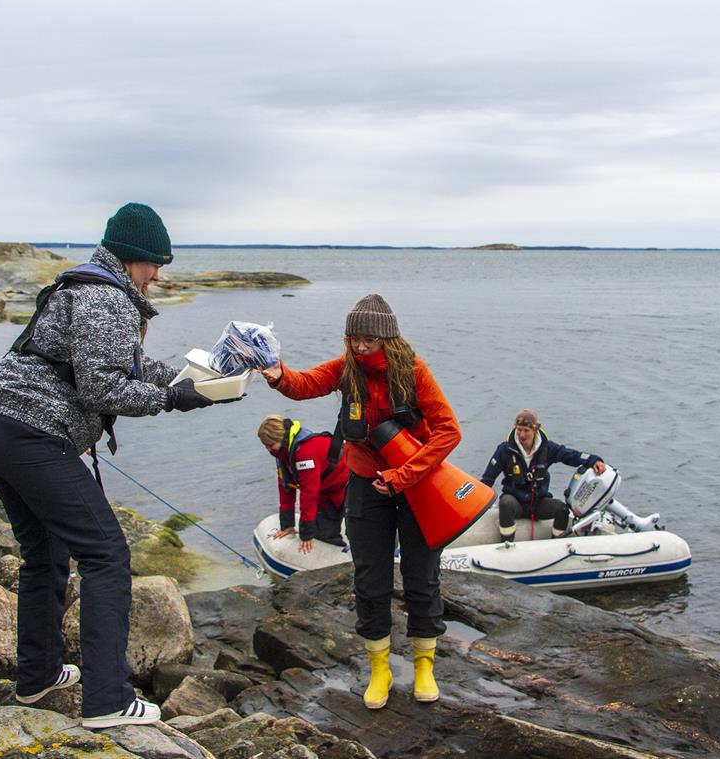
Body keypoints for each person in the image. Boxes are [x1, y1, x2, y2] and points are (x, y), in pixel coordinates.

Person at [0, 203, 227, 729]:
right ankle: (108, 699)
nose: (159, 274)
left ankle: (38, 675)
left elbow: (123, 367)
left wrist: (191, 383)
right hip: (33, 435)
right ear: (133, 257)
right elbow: (101, 388)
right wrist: (173, 400)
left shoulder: (88, 289)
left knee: (45, 553)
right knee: (107, 553)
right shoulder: (106, 299)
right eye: (156, 263)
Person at [260, 293, 461, 710]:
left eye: (368, 338)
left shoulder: (413, 372)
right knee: (369, 581)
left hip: (415, 486)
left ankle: (424, 665)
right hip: (365, 486)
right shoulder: (348, 369)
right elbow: (307, 383)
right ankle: (379, 669)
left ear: (387, 337)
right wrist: (279, 375)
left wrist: (405, 473)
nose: (360, 346)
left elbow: (448, 430)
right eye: (354, 337)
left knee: (421, 577)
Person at [480, 409, 606, 541]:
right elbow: (488, 479)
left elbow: (570, 456)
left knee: (562, 510)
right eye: (519, 429)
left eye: (526, 430)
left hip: (538, 502)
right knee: (506, 503)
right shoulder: (504, 450)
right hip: (515, 501)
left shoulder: (547, 448)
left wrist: (593, 460)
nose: (522, 435)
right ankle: (506, 544)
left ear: (535, 429)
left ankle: (557, 544)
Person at [258, 414, 349, 554]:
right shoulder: (283, 455)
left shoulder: (304, 453)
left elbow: (309, 493)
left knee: (358, 531)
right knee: (323, 535)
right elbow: (286, 487)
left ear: (281, 439)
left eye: (270, 445)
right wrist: (287, 525)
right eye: (265, 446)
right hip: (326, 493)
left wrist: (305, 533)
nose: (268, 450)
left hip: (348, 485)